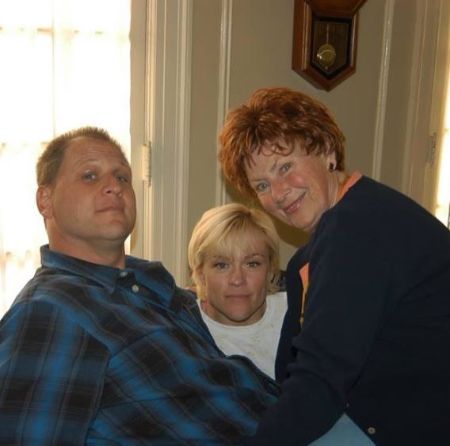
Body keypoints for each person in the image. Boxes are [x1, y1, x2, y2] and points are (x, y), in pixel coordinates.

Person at [0, 126, 280, 445]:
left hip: (290, 420)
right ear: (45, 200)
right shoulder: (50, 312)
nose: (114, 187)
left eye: (122, 177)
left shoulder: (149, 285)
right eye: (90, 176)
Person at [218, 87, 450, 446]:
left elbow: (319, 380)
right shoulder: (320, 246)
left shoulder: (357, 229)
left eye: (285, 167)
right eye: (262, 185)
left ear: (327, 149)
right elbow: (294, 371)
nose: (278, 193)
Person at [187, 202, 287, 379]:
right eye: (222, 265)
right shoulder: (183, 328)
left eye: (252, 264)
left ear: (271, 270)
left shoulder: (298, 313)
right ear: (201, 273)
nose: (237, 279)